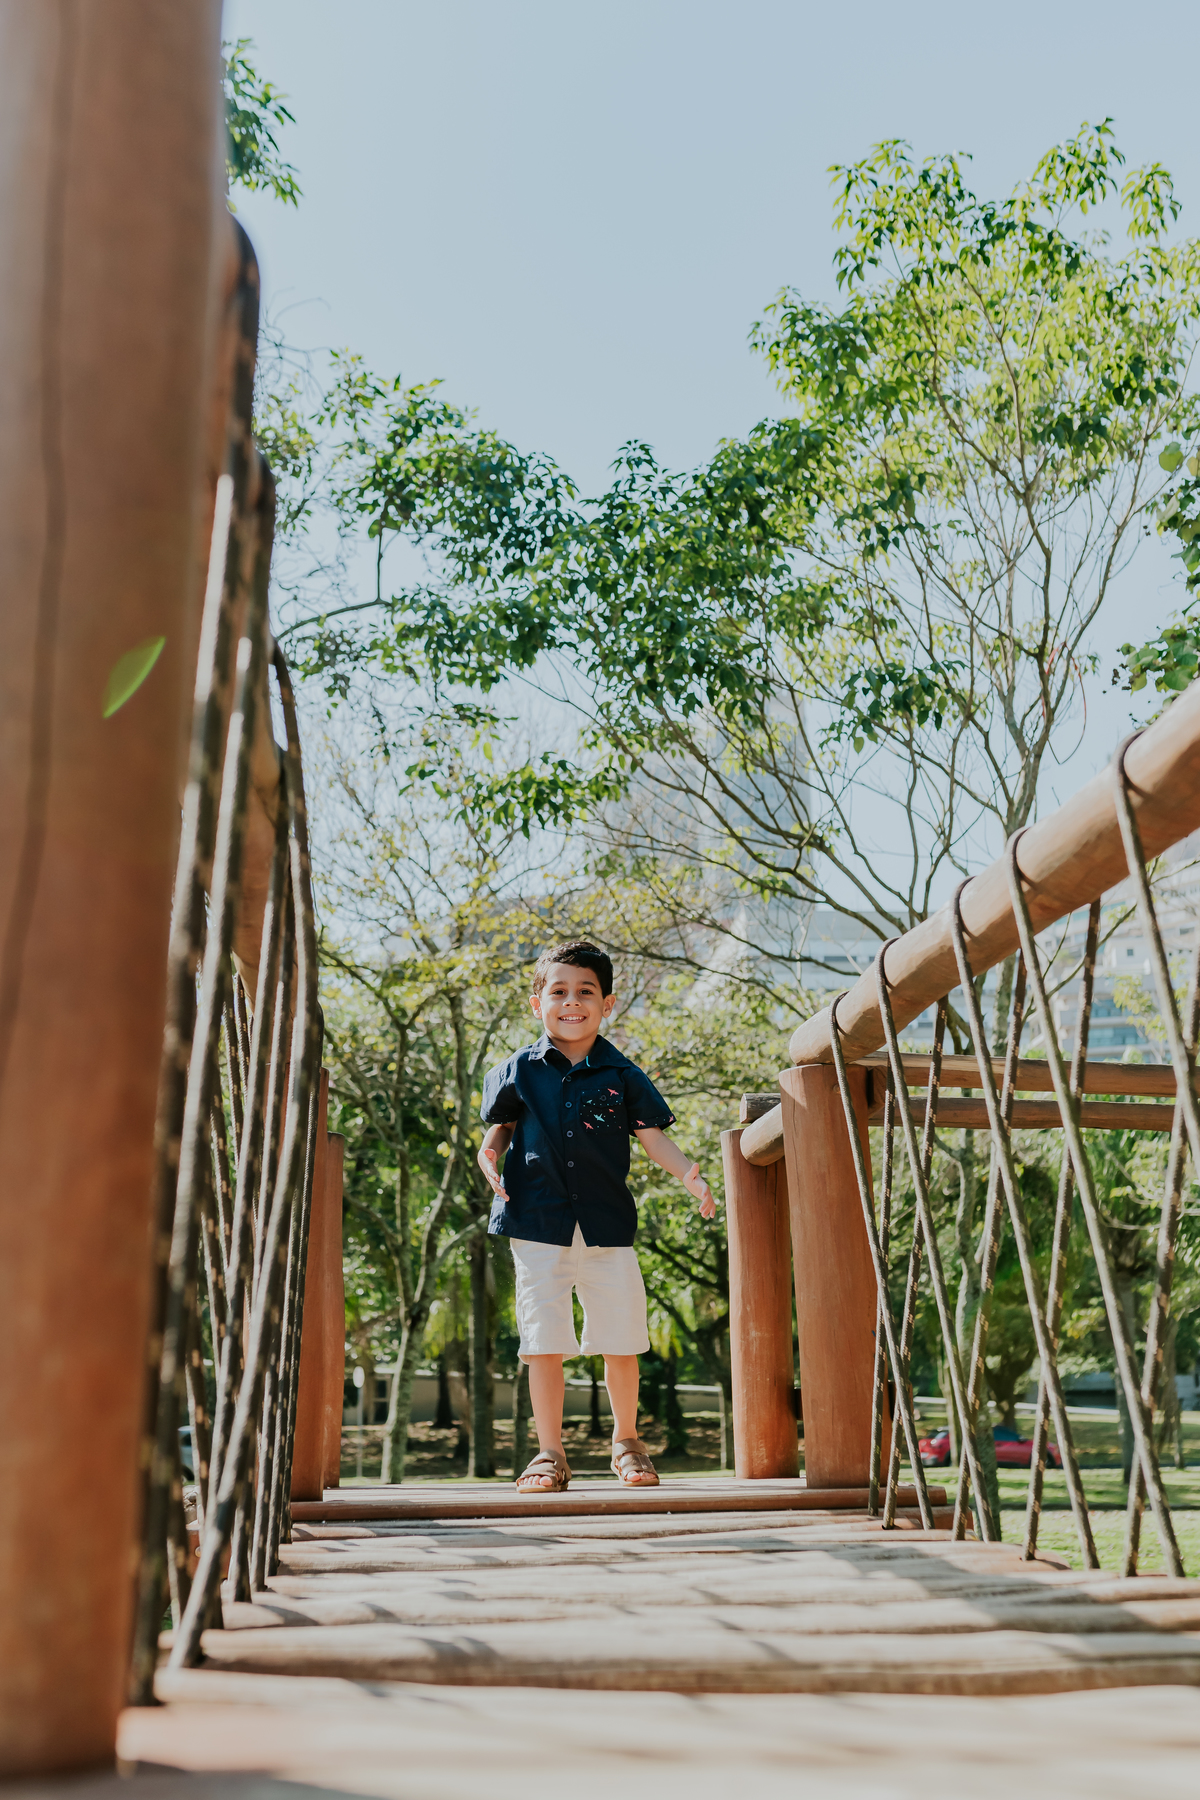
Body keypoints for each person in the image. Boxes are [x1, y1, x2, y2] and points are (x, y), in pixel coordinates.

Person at [477, 939, 716, 1493]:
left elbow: (653, 1136)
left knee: (622, 1337)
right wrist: (488, 1154)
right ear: (536, 1001)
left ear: (607, 1003)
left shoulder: (622, 1074)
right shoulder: (516, 1070)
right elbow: (501, 1129)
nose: (571, 1001)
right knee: (543, 1340)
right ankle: (549, 1454)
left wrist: (689, 1175)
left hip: (608, 1227)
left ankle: (627, 1443)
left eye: (586, 991)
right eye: (557, 991)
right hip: (535, 1223)